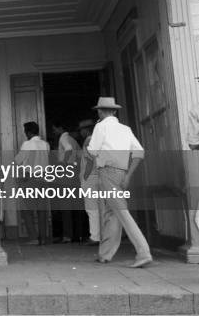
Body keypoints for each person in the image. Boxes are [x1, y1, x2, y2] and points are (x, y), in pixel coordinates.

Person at [86, 96, 152, 268]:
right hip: (122, 173)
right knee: (112, 213)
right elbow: (139, 152)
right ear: (114, 111)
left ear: (100, 111)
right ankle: (105, 254)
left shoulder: (100, 126)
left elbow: (92, 151)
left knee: (121, 212)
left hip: (107, 173)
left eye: (99, 110)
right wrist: (128, 175)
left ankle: (143, 252)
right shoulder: (125, 129)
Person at [14, 122, 50, 245]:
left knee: (27, 210)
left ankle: (33, 238)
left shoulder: (27, 144)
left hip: (30, 179)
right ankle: (43, 238)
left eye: (25, 132)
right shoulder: (46, 145)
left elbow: (18, 160)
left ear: (28, 132)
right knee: (42, 210)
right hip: (44, 179)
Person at [52, 121, 81, 243]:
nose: (53, 132)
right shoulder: (73, 140)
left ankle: (67, 236)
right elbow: (79, 157)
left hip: (66, 175)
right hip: (75, 175)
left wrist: (63, 164)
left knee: (65, 207)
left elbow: (68, 149)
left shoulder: (63, 138)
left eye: (54, 129)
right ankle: (78, 235)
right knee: (76, 207)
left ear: (60, 128)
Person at [79, 119, 101, 246]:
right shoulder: (99, 140)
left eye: (81, 130)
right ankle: (102, 235)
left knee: (91, 208)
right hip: (100, 176)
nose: (80, 133)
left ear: (86, 130)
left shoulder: (88, 140)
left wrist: (85, 177)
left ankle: (95, 236)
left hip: (90, 178)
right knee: (101, 207)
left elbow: (89, 160)